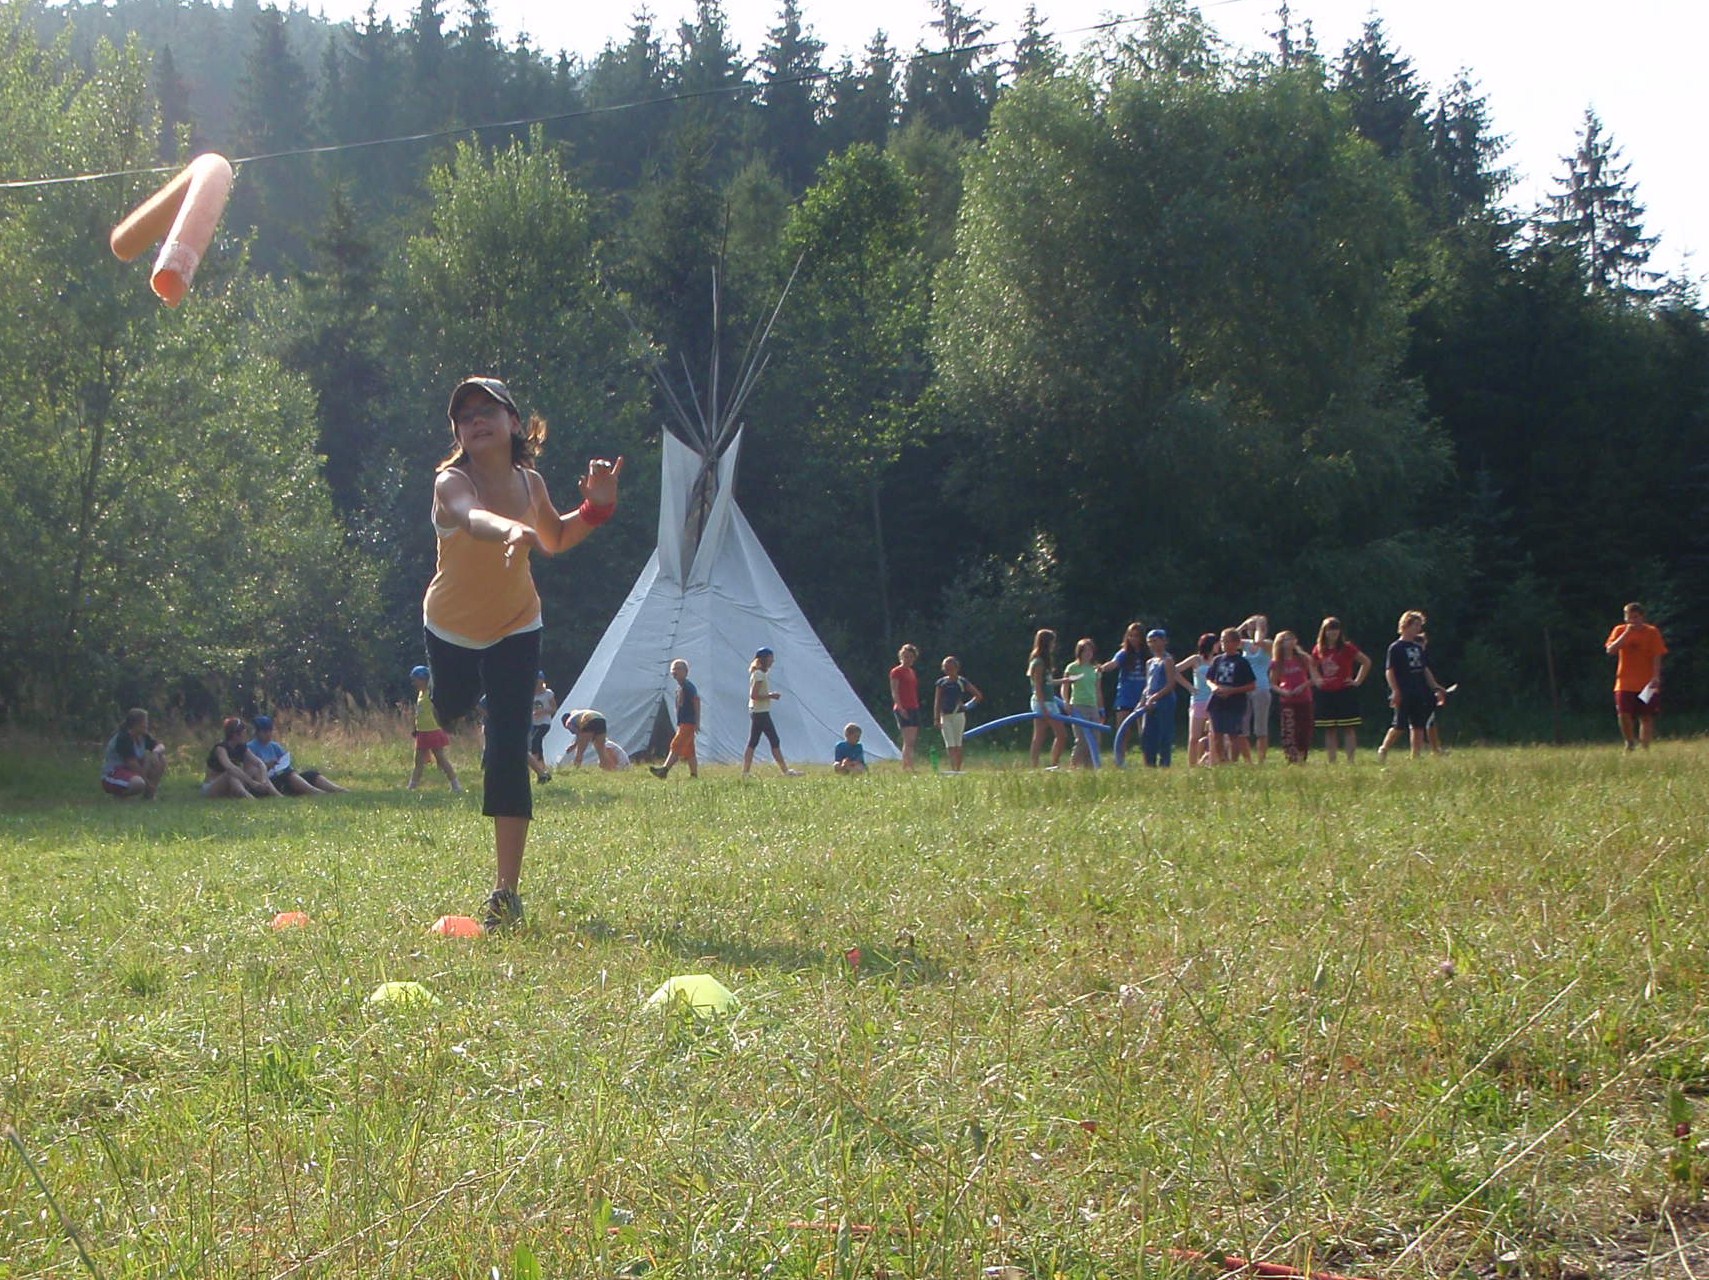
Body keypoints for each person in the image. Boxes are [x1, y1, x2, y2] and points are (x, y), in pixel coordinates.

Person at [422, 375, 623, 930]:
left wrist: (597, 507)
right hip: (452, 629)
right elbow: (471, 517)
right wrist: (509, 530)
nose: (475, 420)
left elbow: (554, 539)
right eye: (464, 415)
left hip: (516, 625)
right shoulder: (451, 481)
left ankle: (505, 894)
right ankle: (453, 702)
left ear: (514, 422)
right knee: (450, 708)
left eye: (487, 410)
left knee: (508, 749)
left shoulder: (530, 483)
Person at [1378, 610, 1448, 762]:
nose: (1418, 628)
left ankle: (1415, 756)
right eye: (1415, 625)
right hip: (1404, 691)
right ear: (1405, 625)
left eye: (1419, 625)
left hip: (1419, 690)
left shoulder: (1418, 647)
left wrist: (1435, 686)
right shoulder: (1395, 647)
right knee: (1399, 725)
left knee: (1418, 725)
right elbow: (1389, 671)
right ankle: (1384, 749)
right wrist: (1395, 691)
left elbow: (1424, 669)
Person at [1606, 602, 1667, 751]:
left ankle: (1645, 747)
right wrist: (1626, 634)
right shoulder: (1619, 630)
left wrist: (1656, 677)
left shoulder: (1652, 632)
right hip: (1624, 682)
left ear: (1642, 617)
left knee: (1646, 716)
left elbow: (1657, 655)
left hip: (1647, 682)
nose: (1633, 620)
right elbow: (1611, 650)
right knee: (1623, 714)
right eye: (1629, 617)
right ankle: (1630, 742)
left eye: (1636, 617)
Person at [1312, 616, 1373, 763]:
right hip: (1327, 692)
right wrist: (1317, 679)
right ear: (1324, 632)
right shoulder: (1319, 649)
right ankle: (1332, 760)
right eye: (1329, 630)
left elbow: (1366, 662)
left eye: (1335, 629)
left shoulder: (1347, 648)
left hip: (1344, 690)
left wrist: (1357, 681)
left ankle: (1350, 760)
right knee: (1330, 729)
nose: (1333, 633)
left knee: (1348, 727)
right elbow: (1312, 665)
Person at [248, 715, 345, 795]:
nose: (268, 734)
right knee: (288, 775)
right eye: (265, 732)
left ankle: (338, 789)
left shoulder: (274, 746)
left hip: (282, 774)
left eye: (270, 731)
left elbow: (284, 760)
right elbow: (252, 770)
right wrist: (268, 765)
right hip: (269, 780)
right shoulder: (251, 747)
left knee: (311, 774)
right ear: (257, 732)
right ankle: (316, 792)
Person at [742, 647, 802, 778]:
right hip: (761, 713)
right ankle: (785, 771)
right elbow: (754, 695)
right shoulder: (759, 675)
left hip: (758, 711)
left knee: (753, 742)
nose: (772, 661)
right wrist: (771, 696)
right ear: (764, 659)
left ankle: (746, 772)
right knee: (773, 740)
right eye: (770, 658)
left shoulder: (759, 674)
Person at [1137, 629, 1192, 767]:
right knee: (1147, 733)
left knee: (1164, 733)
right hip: (1150, 702)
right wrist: (1142, 701)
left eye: (1155, 641)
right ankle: (1149, 763)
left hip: (1165, 700)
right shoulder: (1150, 662)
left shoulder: (1167, 660)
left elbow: (1170, 684)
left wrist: (1154, 697)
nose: (1152, 644)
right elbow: (1148, 685)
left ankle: (1164, 763)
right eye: (1149, 642)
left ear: (1164, 641)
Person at [407, 664, 463, 792]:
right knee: (418, 761)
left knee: (441, 759)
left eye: (415, 680)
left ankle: (455, 785)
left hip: (433, 730)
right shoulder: (420, 694)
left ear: (424, 679)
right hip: (422, 732)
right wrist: (415, 728)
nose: (413, 683)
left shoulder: (431, 693)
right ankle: (412, 787)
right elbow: (419, 713)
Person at [1206, 628, 1257, 764]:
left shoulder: (1242, 662)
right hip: (1217, 702)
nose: (1224, 644)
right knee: (1217, 734)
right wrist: (1214, 687)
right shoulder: (1217, 660)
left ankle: (1233, 762)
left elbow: (1252, 685)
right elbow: (1209, 679)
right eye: (1222, 641)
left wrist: (1232, 691)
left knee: (1234, 734)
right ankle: (1222, 761)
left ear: (1236, 643)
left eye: (1227, 641)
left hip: (1235, 703)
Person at [1270, 630, 1321, 764]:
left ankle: (1302, 756)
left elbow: (1315, 678)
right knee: (1289, 730)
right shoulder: (1277, 662)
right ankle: (1291, 758)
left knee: (1304, 729)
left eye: (1291, 639)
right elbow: (1273, 684)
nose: (1289, 642)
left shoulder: (1304, 658)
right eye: (1286, 640)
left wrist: (1303, 686)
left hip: (1304, 699)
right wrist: (1283, 691)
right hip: (1287, 700)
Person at [1101, 622, 1150, 759]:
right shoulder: (1124, 653)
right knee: (1123, 730)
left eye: (1136, 636)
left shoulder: (1148, 654)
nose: (1133, 639)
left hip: (1143, 696)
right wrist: (1102, 668)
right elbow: (1113, 664)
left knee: (1145, 730)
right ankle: (1119, 759)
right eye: (1130, 636)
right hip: (1125, 696)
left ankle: (1148, 759)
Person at [650, 659, 700, 779]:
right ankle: (694, 775)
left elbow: (696, 701)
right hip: (683, 722)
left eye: (678, 669)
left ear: (685, 671)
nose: (674, 671)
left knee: (676, 745)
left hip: (688, 722)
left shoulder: (688, 687)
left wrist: (697, 721)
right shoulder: (679, 688)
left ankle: (664, 770)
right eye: (673, 669)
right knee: (689, 751)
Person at [204, 717, 278, 798]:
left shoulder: (242, 747)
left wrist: (263, 780)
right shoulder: (221, 748)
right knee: (231, 774)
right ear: (235, 735)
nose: (246, 736)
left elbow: (259, 763)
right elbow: (230, 768)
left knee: (254, 769)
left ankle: (277, 795)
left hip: (234, 782)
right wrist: (252, 783)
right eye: (244, 733)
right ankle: (250, 798)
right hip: (212, 786)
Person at [102, 707, 166, 799]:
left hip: (130, 771)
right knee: (138, 784)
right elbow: (132, 764)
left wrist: (155, 753)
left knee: (161, 759)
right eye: (145, 722)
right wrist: (147, 783)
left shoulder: (143, 736)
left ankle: (149, 795)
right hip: (114, 773)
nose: (147, 725)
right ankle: (119, 795)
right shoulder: (123, 738)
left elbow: (160, 745)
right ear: (136, 724)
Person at [1026, 629, 1069, 768]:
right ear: (1046, 643)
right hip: (1043, 702)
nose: (1054, 645)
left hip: (1049, 701)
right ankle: (1042, 765)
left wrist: (1065, 681)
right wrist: (1043, 707)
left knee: (1041, 736)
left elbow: (1048, 682)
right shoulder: (1038, 662)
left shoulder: (1045, 661)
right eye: (1052, 642)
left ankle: (1050, 765)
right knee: (1059, 735)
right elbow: (1038, 686)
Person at [1175, 633, 1220, 765]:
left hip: (1215, 700)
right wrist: (1189, 687)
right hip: (1198, 700)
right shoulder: (1196, 659)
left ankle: (1212, 762)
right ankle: (1192, 764)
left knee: (1214, 735)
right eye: (1217, 643)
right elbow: (1174, 670)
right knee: (1194, 737)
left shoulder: (1218, 660)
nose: (1219, 646)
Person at [1060, 637, 1104, 768]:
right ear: (1079, 652)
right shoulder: (1072, 667)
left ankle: (1089, 768)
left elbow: (1098, 690)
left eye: (1090, 651)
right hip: (1078, 706)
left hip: (1093, 706)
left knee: (1095, 738)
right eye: (1085, 651)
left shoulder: (1095, 669)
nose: (1088, 654)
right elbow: (1065, 686)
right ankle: (1073, 766)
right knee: (1082, 739)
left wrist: (1101, 709)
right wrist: (1066, 702)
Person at [935, 655, 983, 773]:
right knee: (949, 744)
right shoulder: (941, 683)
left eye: (951, 668)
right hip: (945, 716)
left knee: (958, 743)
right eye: (946, 668)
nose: (949, 671)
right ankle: (953, 769)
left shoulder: (962, 681)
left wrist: (967, 706)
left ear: (957, 668)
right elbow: (937, 701)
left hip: (958, 715)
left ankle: (958, 769)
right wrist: (936, 718)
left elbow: (978, 695)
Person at [1239, 614, 1273, 763]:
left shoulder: (1269, 644)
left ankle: (1261, 760)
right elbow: (1228, 639)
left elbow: (1258, 641)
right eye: (1250, 629)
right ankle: (1248, 761)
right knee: (1242, 727)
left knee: (1261, 728)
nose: (1252, 631)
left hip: (1261, 688)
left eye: (1256, 628)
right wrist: (1244, 625)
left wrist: (1259, 624)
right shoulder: (1245, 644)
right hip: (1244, 688)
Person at [890, 643, 922, 772]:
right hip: (903, 707)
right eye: (905, 656)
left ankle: (907, 765)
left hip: (914, 706)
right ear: (901, 657)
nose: (907, 659)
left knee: (912, 740)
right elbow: (894, 691)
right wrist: (900, 707)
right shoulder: (896, 672)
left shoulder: (912, 672)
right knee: (908, 740)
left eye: (910, 657)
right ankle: (909, 767)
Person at [529, 671, 556, 783]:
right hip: (533, 723)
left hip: (544, 722)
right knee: (534, 744)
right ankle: (541, 767)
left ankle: (540, 768)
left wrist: (543, 711)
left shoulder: (548, 694)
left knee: (536, 740)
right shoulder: (530, 694)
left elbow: (553, 708)